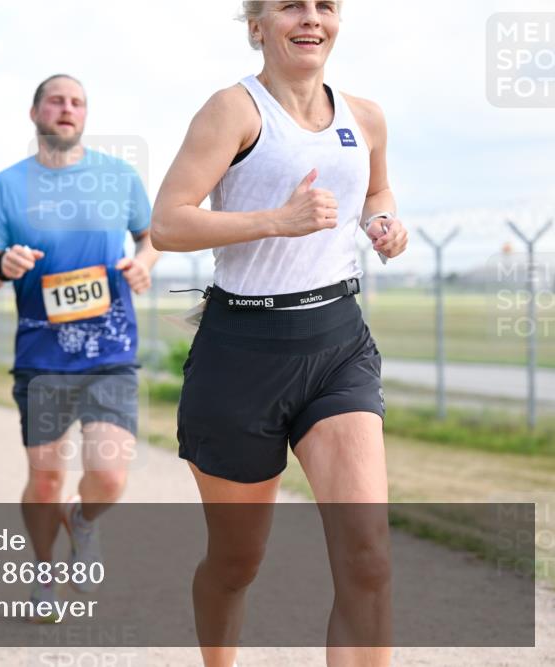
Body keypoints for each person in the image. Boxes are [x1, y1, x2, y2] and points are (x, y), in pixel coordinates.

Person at [150, 2, 408, 665]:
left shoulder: (366, 117)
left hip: (337, 345)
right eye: (292, 4)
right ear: (257, 25)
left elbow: (377, 193)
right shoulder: (233, 111)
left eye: (325, 5)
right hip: (240, 355)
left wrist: (384, 223)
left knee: (368, 557)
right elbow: (170, 223)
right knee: (237, 563)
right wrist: (276, 220)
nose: (312, 17)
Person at [0, 74, 159, 620]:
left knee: (110, 473)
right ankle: (45, 571)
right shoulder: (7, 186)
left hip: (110, 351)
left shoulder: (119, 177)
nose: (67, 109)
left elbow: (151, 236)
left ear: (85, 115)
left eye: (77, 102)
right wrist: (1, 266)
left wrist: (143, 264)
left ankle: (84, 521)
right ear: (35, 113)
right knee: (46, 477)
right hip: (41, 357)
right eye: (56, 100)